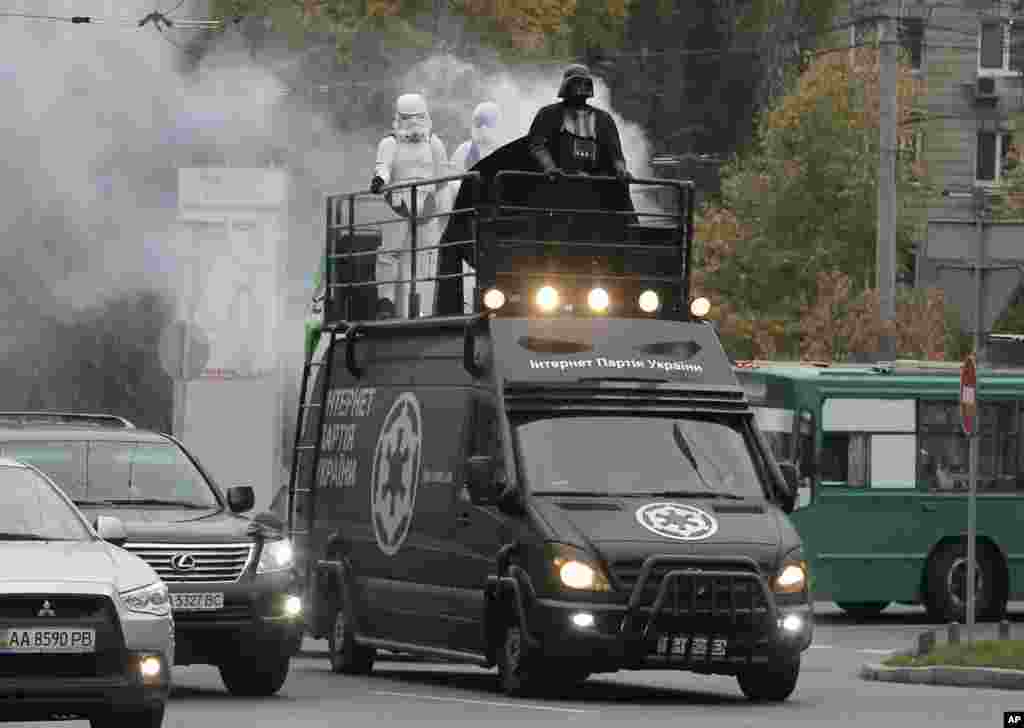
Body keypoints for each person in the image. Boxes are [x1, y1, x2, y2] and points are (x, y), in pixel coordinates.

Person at [369, 93, 450, 318]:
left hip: (427, 202)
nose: (414, 123)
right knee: (389, 253)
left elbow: (442, 176)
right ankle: (385, 301)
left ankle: (426, 307)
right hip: (397, 201)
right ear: (399, 118)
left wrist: (445, 208)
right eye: (408, 118)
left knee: (428, 255)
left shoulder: (434, 142)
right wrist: (379, 180)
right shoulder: (389, 143)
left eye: (418, 117)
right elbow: (382, 167)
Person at [527, 64, 630, 182]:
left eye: (585, 83)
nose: (581, 87)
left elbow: (615, 153)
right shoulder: (549, 114)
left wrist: (621, 170)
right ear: (567, 85)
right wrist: (550, 167)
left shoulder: (603, 119)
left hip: (594, 185)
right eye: (577, 82)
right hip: (557, 182)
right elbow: (537, 145)